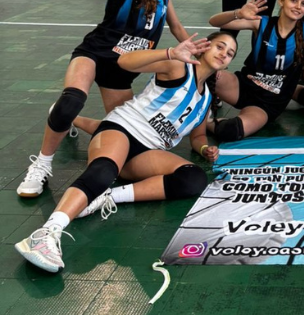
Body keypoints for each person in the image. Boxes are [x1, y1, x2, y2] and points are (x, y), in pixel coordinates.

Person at [15, 33, 236, 273]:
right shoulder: (178, 67)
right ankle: (46, 233)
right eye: (220, 46)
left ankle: (108, 196)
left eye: (230, 53)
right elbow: (125, 62)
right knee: (103, 171)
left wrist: (204, 149)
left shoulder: (205, 100)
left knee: (193, 178)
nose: (224, 54)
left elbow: (198, 136)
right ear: (204, 47)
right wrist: (170, 52)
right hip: (122, 128)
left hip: (148, 151)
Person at [16, 0, 191, 199]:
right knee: (71, 100)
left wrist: (195, 50)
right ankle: (42, 164)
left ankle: (70, 119)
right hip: (96, 53)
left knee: (126, 133)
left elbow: (175, 25)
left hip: (122, 68)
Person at [206, 0, 304, 143]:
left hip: (268, 102)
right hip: (244, 86)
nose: (298, 7)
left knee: (230, 131)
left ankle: (203, 123)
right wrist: (238, 13)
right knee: (203, 73)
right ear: (281, 1)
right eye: (293, 0)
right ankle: (200, 111)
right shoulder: (262, 23)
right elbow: (214, 22)